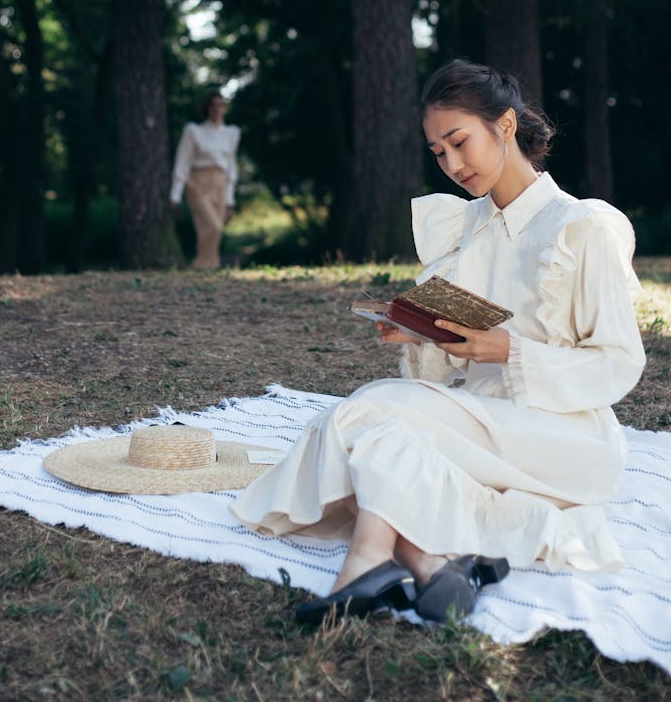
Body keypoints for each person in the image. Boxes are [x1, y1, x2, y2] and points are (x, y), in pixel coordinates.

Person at [230, 59, 646, 625]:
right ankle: (423, 563)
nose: (451, 164)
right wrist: (424, 332)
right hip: (481, 423)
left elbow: (619, 364)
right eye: (437, 152)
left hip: (567, 437)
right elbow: (450, 366)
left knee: (368, 414)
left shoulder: (582, 226)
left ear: (504, 125)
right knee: (375, 423)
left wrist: (509, 350)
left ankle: (376, 559)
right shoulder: (467, 227)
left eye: (458, 142)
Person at [170, 90, 240, 269]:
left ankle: (209, 266)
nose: (217, 109)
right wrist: (175, 195)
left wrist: (230, 199)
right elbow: (182, 162)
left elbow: (231, 166)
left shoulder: (231, 133)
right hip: (198, 183)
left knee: (212, 231)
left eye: (221, 105)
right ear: (207, 108)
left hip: (220, 184)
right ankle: (200, 264)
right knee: (213, 226)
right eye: (213, 105)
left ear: (225, 108)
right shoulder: (194, 131)